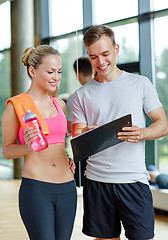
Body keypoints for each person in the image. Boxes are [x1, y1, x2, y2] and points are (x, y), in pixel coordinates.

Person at [72, 25, 168, 240]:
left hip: (134, 180)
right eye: (93, 56)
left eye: (105, 54)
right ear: (88, 56)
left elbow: (162, 124)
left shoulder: (140, 84)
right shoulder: (81, 95)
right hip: (97, 182)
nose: (101, 62)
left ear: (116, 49)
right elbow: (76, 138)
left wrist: (141, 133)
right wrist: (86, 134)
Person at [2, 45, 77, 240]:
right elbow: (7, 151)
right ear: (32, 71)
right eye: (50, 72)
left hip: (68, 188)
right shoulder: (15, 106)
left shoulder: (59, 104)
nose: (56, 77)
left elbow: (61, 142)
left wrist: (70, 156)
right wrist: (27, 145)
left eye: (59, 72)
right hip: (37, 189)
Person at [66, 56, 93, 135]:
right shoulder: (104, 91)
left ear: (78, 74)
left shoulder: (73, 98)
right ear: (93, 71)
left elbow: (71, 128)